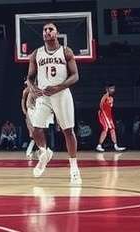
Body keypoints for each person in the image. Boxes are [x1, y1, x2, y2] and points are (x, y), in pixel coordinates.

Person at [27, 22, 81, 185]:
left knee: (68, 131)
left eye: (50, 29)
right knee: (36, 128)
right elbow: (30, 77)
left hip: (61, 94)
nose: (47, 32)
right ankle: (44, 153)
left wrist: (59, 86)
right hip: (43, 95)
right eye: (45, 30)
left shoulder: (66, 51)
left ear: (56, 33)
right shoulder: (36, 53)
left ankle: (74, 167)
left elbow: (75, 75)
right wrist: (32, 87)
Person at [96, 84, 125, 152]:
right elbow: (101, 105)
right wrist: (103, 114)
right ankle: (99, 145)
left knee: (112, 130)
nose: (113, 90)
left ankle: (115, 145)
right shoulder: (105, 95)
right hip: (103, 114)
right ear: (107, 89)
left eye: (113, 88)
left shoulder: (111, 98)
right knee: (106, 129)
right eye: (111, 88)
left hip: (109, 116)